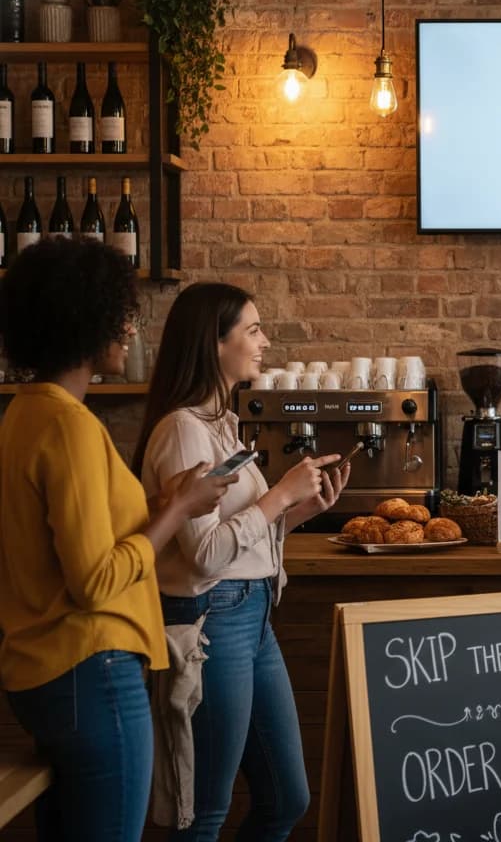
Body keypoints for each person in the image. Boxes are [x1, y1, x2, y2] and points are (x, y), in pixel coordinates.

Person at [0, 239, 232, 842]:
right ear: (85, 319)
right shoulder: (70, 426)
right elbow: (94, 580)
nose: (130, 329)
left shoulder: (23, 414)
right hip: (92, 667)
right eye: (122, 315)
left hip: (44, 671)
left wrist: (157, 505)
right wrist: (178, 509)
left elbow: (65, 541)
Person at [131, 282, 349, 842]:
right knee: (206, 811)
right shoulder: (181, 430)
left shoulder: (221, 424)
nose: (265, 340)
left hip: (252, 618)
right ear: (215, 342)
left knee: (287, 798)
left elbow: (239, 544)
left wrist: (300, 510)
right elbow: (204, 557)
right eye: (253, 330)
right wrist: (278, 495)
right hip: (212, 622)